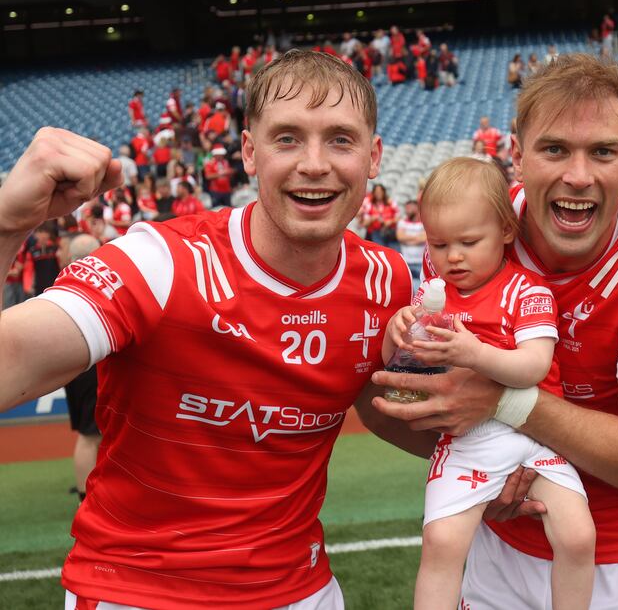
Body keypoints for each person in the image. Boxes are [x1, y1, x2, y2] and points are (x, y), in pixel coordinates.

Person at [0, 50, 411, 608]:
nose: (315, 164)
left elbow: (392, 412)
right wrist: (7, 221)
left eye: (341, 139)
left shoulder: (386, 282)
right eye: (287, 138)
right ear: (247, 152)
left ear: (374, 157)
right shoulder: (160, 261)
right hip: (137, 592)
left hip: (302, 591)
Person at [371, 54, 618, 608]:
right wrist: (483, 466)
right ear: (517, 155)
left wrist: (504, 404)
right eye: (554, 148)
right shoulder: (473, 231)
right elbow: (407, 398)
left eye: (602, 151)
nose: (577, 176)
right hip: (497, 550)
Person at [387, 158, 594, 610]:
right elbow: (401, 370)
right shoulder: (430, 296)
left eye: (468, 242)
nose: (452, 257)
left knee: (578, 538)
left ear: (505, 230)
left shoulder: (528, 291)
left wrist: (473, 354)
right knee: (441, 543)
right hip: (467, 444)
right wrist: (396, 333)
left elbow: (534, 366)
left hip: (537, 438)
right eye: (438, 244)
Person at [61, 234, 102, 503]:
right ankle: (87, 501)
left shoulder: (62, 282)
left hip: (73, 369)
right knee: (90, 435)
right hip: (90, 367)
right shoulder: (91, 285)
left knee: (90, 434)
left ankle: (89, 496)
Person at [396, 199, 426, 285]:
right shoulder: (402, 222)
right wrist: (417, 238)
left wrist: (407, 239)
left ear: (417, 208)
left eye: (410, 207)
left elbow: (424, 238)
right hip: (406, 262)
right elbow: (400, 237)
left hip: (420, 263)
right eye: (406, 208)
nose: (407, 210)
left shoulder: (424, 222)